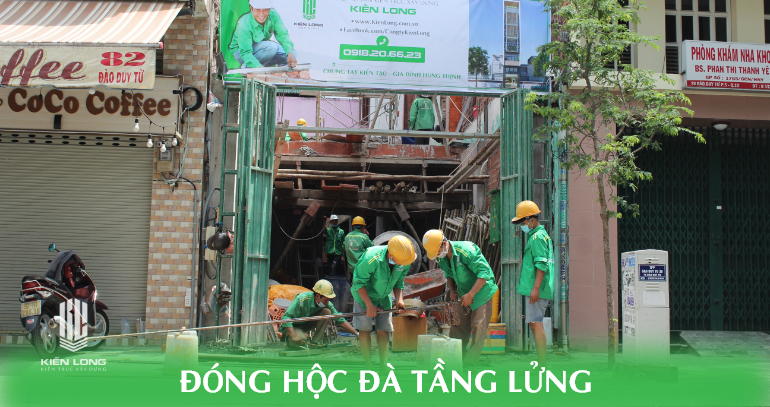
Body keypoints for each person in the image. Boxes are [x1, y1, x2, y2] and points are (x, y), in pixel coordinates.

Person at [423, 229, 498, 366]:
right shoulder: (443, 257)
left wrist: (471, 294)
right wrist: (452, 290)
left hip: (481, 292)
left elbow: (484, 273)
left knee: (478, 327)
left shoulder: (466, 250)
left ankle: (471, 364)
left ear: (444, 243)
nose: (437, 255)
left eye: (437, 251)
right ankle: (456, 359)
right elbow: (449, 274)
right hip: (464, 293)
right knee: (458, 326)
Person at [351, 236, 413, 369]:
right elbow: (358, 283)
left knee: (384, 329)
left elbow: (399, 282)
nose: (402, 264)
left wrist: (399, 300)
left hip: (384, 297)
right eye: (399, 261)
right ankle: (368, 365)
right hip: (364, 297)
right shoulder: (371, 258)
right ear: (391, 254)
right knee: (365, 329)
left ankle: (383, 365)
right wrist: (369, 305)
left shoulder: (405, 259)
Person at [511, 201, 554, 367]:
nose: (522, 226)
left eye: (523, 222)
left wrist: (535, 288)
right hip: (536, 287)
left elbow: (541, 264)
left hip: (537, 289)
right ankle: (541, 363)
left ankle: (542, 365)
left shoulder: (537, 238)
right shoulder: (539, 236)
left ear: (532, 220)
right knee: (534, 323)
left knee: (536, 323)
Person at [280, 280, 359, 348]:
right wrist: (293, 335)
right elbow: (286, 317)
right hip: (293, 326)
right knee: (300, 339)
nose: (327, 302)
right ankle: (287, 339)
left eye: (328, 300)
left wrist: (356, 333)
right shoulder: (302, 299)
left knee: (327, 312)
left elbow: (339, 319)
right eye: (325, 300)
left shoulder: (327, 304)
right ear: (317, 296)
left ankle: (315, 343)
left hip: (306, 325)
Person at [230, 0, 298, 69]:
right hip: (241, 53)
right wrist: (260, 68)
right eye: (257, 9)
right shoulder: (244, 24)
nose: (261, 13)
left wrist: (289, 53)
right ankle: (248, 68)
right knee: (271, 48)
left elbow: (282, 35)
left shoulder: (273, 15)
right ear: (251, 8)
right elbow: (245, 52)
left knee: (291, 53)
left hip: (262, 50)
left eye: (265, 9)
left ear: (269, 9)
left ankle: (281, 73)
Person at [343, 216, 373, 282]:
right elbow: (372, 249)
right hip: (362, 270)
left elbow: (343, 248)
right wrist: (367, 236)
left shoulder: (347, 236)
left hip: (352, 269)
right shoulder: (364, 237)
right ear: (363, 227)